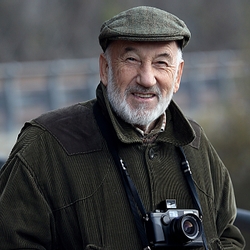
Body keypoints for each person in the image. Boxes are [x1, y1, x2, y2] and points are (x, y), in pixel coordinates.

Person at [0, 6, 245, 250]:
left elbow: (227, 235)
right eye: (131, 60)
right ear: (105, 69)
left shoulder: (195, 144)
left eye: (161, 63)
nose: (147, 79)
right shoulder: (47, 145)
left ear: (178, 75)